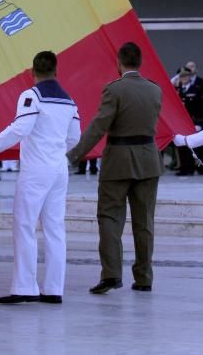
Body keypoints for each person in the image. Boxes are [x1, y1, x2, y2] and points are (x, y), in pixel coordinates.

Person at [67, 42, 163, 294]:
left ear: (119, 63)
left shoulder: (114, 90)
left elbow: (99, 126)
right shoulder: (155, 90)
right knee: (144, 222)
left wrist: (74, 155)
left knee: (110, 218)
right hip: (148, 161)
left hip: (118, 162)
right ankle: (144, 277)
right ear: (139, 63)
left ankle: (111, 275)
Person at [0, 51, 80, 305]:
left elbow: (20, 129)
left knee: (24, 224)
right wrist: (55, 150)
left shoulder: (31, 96)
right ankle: (54, 289)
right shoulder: (69, 101)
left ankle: (25, 287)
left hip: (36, 169)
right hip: (58, 168)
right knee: (55, 228)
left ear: (32, 72)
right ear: (56, 71)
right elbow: (74, 137)